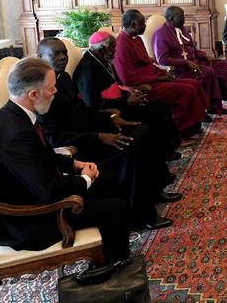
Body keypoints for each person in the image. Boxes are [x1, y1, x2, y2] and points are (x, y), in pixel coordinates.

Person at [0, 58, 131, 262]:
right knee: (118, 209)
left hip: (34, 193)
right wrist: (84, 179)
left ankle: (106, 252)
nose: (56, 92)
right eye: (51, 88)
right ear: (33, 94)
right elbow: (49, 192)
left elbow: (42, 154)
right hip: (30, 219)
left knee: (111, 181)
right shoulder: (15, 134)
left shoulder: (15, 115)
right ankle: (113, 269)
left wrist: (75, 165)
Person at [37, 38, 178, 229]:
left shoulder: (64, 78)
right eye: (56, 54)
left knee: (143, 131)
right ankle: (141, 216)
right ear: (40, 57)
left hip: (93, 133)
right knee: (131, 148)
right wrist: (99, 136)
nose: (63, 57)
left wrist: (110, 117)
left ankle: (154, 190)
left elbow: (84, 110)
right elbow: (55, 138)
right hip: (79, 148)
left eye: (64, 52)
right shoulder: (41, 92)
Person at [73, 30, 183, 160]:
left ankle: (169, 148)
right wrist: (126, 101)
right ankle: (163, 154)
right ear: (103, 49)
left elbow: (117, 85)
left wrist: (130, 94)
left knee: (162, 107)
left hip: (122, 102)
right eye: (113, 47)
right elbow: (92, 103)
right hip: (111, 112)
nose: (115, 50)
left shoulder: (103, 59)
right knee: (155, 116)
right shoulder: (87, 69)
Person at [113, 9, 210, 136]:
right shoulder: (121, 44)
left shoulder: (136, 38)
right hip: (144, 86)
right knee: (187, 90)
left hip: (155, 79)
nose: (145, 26)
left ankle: (193, 124)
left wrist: (164, 74)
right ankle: (178, 130)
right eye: (142, 23)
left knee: (194, 84)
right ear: (133, 25)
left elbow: (148, 63)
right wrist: (159, 79)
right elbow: (127, 78)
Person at [154, 6, 227, 115]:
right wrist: (185, 62)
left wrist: (204, 55)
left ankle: (215, 105)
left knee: (223, 65)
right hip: (180, 69)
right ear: (171, 18)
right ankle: (201, 110)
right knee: (208, 72)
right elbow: (162, 59)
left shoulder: (182, 28)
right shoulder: (160, 34)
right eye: (181, 17)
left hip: (194, 62)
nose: (184, 19)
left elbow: (192, 49)